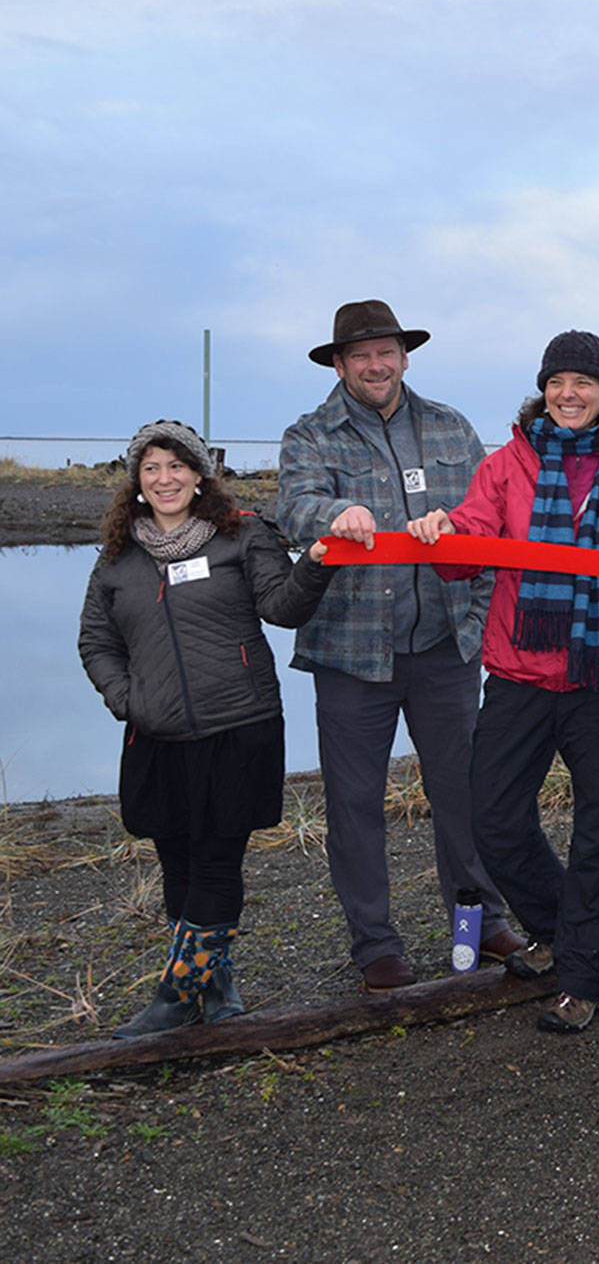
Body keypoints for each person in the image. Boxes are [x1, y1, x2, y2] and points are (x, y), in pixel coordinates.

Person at [406, 331, 599, 1035]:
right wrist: (441, 529)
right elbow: (467, 544)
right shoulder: (508, 462)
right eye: (557, 381)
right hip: (519, 669)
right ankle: (559, 927)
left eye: (584, 382)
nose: (569, 394)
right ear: (543, 388)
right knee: (494, 817)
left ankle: (583, 975)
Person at [277, 299, 519, 992]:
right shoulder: (310, 435)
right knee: (354, 805)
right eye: (361, 356)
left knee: (462, 797)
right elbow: (293, 508)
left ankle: (477, 927)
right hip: (351, 657)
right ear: (340, 363)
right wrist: (333, 514)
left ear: (404, 357)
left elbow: (487, 521)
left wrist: (472, 620)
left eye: (386, 352)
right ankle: (376, 946)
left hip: (445, 649)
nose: (376, 365)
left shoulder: (450, 426)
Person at [78, 420, 333, 1034]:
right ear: (137, 481)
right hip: (156, 735)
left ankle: (177, 995)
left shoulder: (241, 537)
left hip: (238, 728)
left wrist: (317, 564)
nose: (164, 479)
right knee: (178, 866)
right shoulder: (117, 558)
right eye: (151, 469)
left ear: (199, 474)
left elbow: (283, 607)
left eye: (176, 466)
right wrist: (128, 699)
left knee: (217, 862)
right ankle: (214, 981)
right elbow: (96, 641)